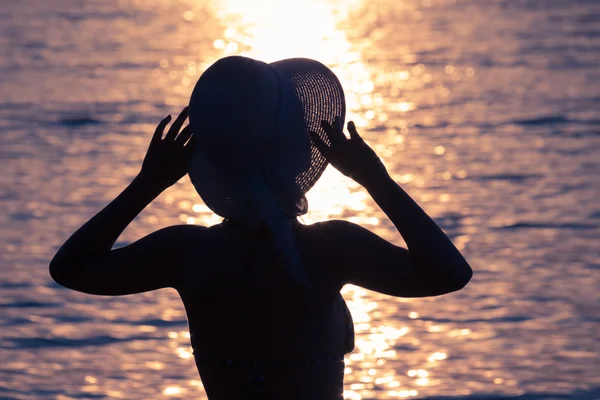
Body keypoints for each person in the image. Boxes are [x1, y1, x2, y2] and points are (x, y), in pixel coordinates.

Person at [49, 56, 472, 400]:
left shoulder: (185, 253)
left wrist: (147, 183)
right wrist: (377, 180)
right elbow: (449, 273)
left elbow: (71, 267)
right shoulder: (330, 249)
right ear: (297, 152)